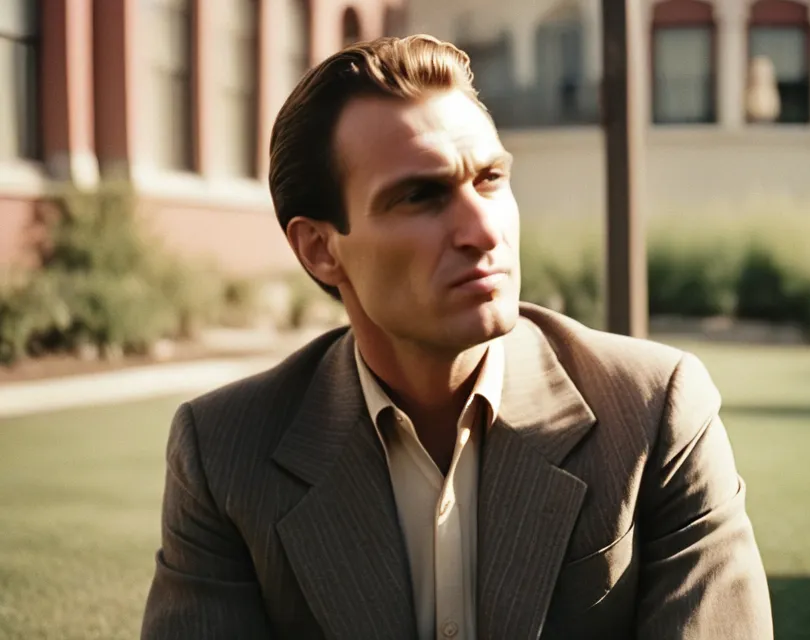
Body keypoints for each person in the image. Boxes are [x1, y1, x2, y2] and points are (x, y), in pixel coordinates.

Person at [141, 35, 773, 640]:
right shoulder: (225, 452)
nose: (481, 228)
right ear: (320, 249)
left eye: (491, 179)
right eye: (420, 196)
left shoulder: (654, 409)